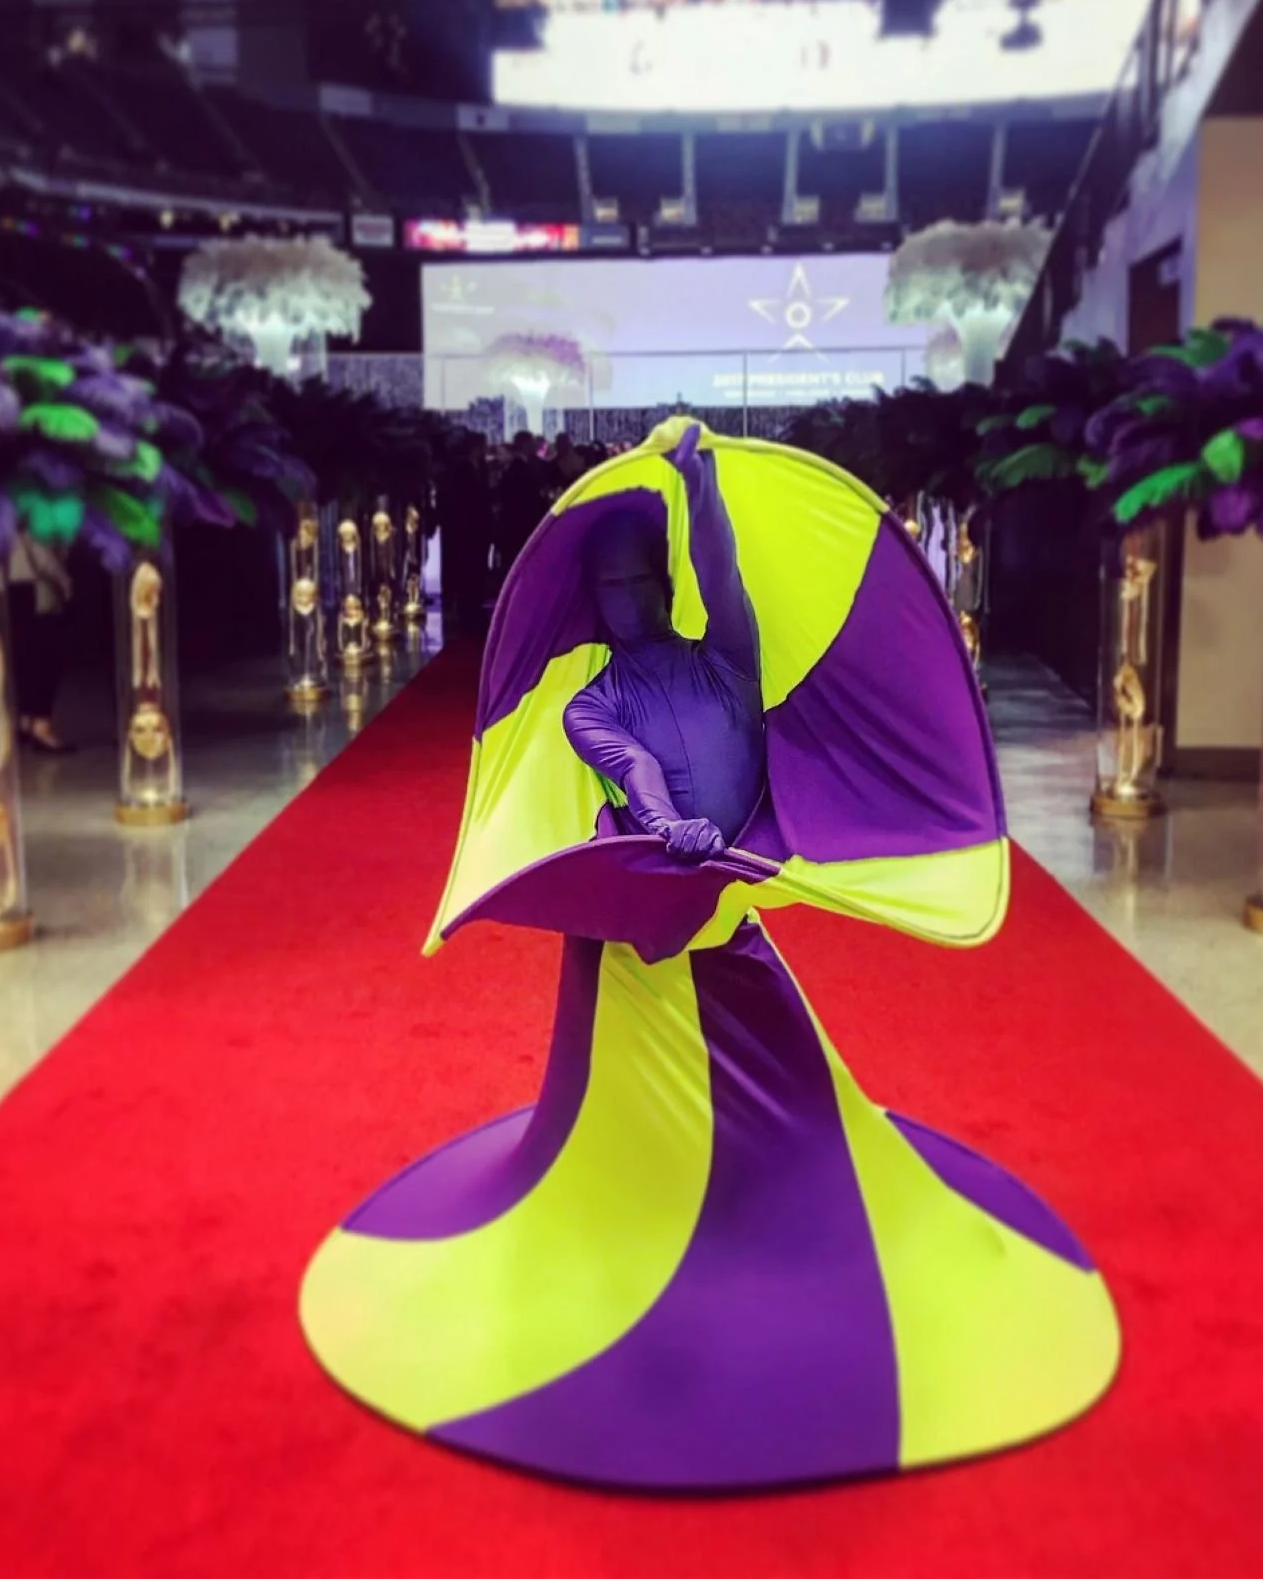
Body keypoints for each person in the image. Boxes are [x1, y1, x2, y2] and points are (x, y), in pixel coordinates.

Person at [300, 419, 1119, 1492]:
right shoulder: (597, 697)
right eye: (610, 585)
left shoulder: (725, 659)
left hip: (719, 908)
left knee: (784, 1098)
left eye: (643, 576)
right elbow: (625, 763)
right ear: (593, 599)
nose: (627, 598)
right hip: (642, 917)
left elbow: (726, 582)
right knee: (627, 1124)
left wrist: (697, 486)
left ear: (665, 577)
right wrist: (661, 824)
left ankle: (781, 1234)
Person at [7, 531, 76, 753]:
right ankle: (41, 724)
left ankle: (26, 719)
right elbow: (39, 545)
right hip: (36, 581)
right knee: (47, 654)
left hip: (13, 580)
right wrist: (64, 582)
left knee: (25, 653)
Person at [436, 431, 491, 636]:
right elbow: (462, 501)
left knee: (478, 571)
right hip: (468, 530)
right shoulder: (461, 470)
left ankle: (475, 610)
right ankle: (467, 613)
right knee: (468, 572)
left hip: (480, 530)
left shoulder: (481, 468)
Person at [493, 429, 550, 580]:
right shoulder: (521, 470)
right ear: (524, 444)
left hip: (514, 526)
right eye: (531, 443)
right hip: (522, 526)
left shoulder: (514, 469)